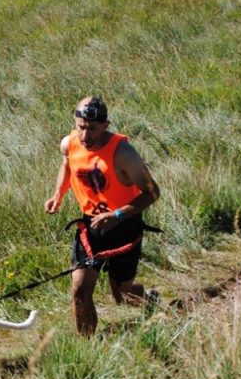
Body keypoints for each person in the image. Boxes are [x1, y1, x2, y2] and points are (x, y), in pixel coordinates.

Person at [44, 96, 160, 336]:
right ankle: (87, 350)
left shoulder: (123, 153)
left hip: (124, 226)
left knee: (123, 295)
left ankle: (150, 302)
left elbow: (152, 192)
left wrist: (116, 215)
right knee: (79, 291)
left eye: (93, 129)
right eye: (81, 127)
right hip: (91, 229)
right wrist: (58, 194)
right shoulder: (69, 144)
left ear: (106, 126)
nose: (86, 135)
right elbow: (67, 164)